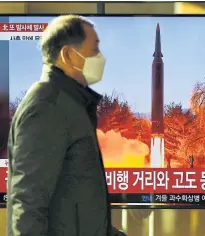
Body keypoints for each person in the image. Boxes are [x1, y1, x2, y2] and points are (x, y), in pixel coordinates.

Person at [6, 15, 126, 236]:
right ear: (69, 54)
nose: (99, 58)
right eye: (94, 50)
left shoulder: (71, 105)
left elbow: (78, 209)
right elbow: (28, 205)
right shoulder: (48, 107)